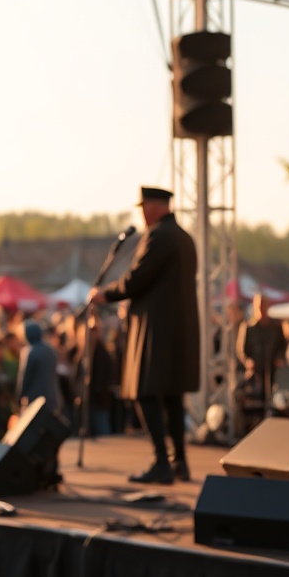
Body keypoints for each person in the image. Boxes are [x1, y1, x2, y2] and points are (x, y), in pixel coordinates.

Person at [89, 186, 199, 484]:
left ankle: (162, 462)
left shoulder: (159, 236)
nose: (141, 212)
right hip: (177, 332)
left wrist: (105, 294)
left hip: (155, 330)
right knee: (173, 397)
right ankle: (179, 462)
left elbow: (137, 279)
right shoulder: (185, 238)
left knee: (144, 392)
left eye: (144, 206)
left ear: (155, 206)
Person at [235, 294, 287, 404]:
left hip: (273, 369)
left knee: (274, 394)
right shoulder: (248, 327)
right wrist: (247, 361)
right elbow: (241, 350)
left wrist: (279, 358)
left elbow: (282, 346)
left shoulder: (276, 326)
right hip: (256, 370)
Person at [16, 319, 61, 416]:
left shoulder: (29, 352)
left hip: (35, 398)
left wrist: (19, 398)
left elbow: (24, 378)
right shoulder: (51, 350)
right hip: (52, 396)